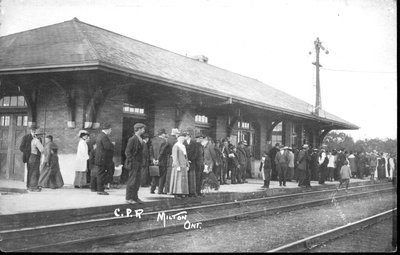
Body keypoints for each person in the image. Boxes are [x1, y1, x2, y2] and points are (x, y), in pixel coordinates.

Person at [125, 123, 146, 203]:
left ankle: (135, 197)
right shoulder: (132, 139)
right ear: (139, 129)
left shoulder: (139, 138)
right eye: (143, 129)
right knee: (132, 181)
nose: (144, 130)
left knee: (137, 181)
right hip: (134, 164)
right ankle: (128, 198)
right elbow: (127, 152)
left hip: (138, 163)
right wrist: (133, 161)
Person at [94, 122, 114, 195]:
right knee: (101, 174)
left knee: (100, 174)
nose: (111, 131)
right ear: (107, 129)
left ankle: (100, 189)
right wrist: (112, 145)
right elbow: (107, 147)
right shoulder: (104, 136)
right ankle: (100, 190)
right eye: (110, 129)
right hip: (103, 159)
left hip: (99, 159)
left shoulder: (100, 135)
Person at [19, 125, 41, 190]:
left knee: (36, 171)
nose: (34, 130)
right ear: (30, 130)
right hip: (29, 157)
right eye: (32, 129)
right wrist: (29, 152)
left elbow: (40, 148)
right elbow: (21, 148)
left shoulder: (39, 138)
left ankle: (35, 185)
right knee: (30, 171)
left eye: (35, 129)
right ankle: (28, 186)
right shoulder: (26, 137)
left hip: (37, 157)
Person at [169, 131, 189, 198]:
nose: (182, 140)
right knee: (178, 179)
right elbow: (175, 157)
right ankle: (177, 192)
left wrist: (187, 164)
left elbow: (186, 156)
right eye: (181, 138)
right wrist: (177, 166)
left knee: (183, 179)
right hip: (178, 165)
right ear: (178, 138)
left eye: (183, 138)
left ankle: (182, 192)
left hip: (183, 165)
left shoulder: (183, 146)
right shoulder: (176, 146)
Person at [149, 128, 168, 194]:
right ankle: (160, 191)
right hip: (161, 161)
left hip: (154, 161)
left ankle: (152, 190)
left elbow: (150, 151)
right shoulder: (164, 141)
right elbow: (162, 152)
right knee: (162, 176)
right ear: (162, 134)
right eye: (164, 134)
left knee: (154, 175)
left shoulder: (153, 140)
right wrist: (158, 159)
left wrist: (153, 159)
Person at [27, 127, 45, 192]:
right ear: (38, 135)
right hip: (35, 157)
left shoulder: (33, 140)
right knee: (35, 172)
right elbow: (42, 149)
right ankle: (34, 187)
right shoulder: (37, 141)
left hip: (31, 157)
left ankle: (31, 186)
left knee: (32, 172)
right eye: (41, 135)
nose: (42, 136)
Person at [183, 129, 198, 197]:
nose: (185, 137)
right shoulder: (183, 143)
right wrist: (186, 160)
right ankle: (186, 192)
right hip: (185, 162)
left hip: (192, 162)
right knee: (186, 177)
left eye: (186, 135)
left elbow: (195, 153)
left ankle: (192, 192)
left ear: (189, 136)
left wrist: (191, 160)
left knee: (192, 177)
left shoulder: (194, 143)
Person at [164, 128, 179, 194]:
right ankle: (171, 190)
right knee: (172, 174)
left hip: (169, 158)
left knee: (168, 174)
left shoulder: (168, 139)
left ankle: (167, 189)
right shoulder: (175, 140)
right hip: (174, 158)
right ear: (176, 133)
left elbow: (164, 149)